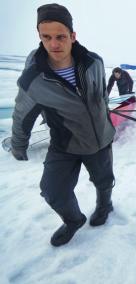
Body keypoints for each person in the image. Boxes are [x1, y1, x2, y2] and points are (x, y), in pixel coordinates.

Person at [11, 4, 116, 247]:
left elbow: (102, 94)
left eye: (60, 36)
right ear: (39, 37)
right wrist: (19, 145)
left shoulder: (94, 62)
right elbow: (21, 115)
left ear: (72, 36)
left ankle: (104, 205)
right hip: (65, 144)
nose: (54, 44)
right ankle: (73, 220)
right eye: (46, 37)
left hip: (100, 138)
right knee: (52, 190)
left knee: (104, 180)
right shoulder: (33, 79)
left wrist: (104, 116)